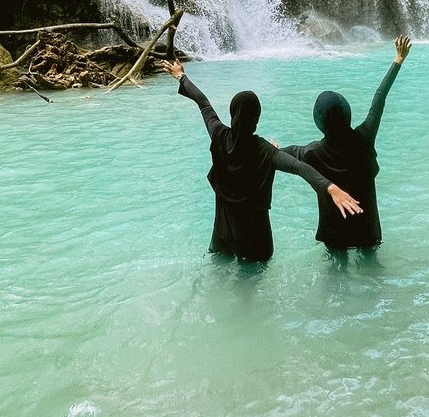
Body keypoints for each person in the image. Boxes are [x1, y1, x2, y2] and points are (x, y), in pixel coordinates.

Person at [158, 58, 362, 263]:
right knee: (250, 281)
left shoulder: (218, 135)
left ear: (232, 113)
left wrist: (181, 76)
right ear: (256, 118)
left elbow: (203, 103)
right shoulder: (266, 152)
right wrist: (330, 188)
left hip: (223, 233)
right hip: (254, 239)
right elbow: (298, 167)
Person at [282, 35, 412, 251]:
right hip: (366, 227)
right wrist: (398, 59)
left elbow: (287, 154)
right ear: (348, 113)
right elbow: (379, 99)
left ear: (319, 122)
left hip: (334, 232)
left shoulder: (312, 152)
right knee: (369, 265)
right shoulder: (364, 136)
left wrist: (270, 148)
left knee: (336, 266)